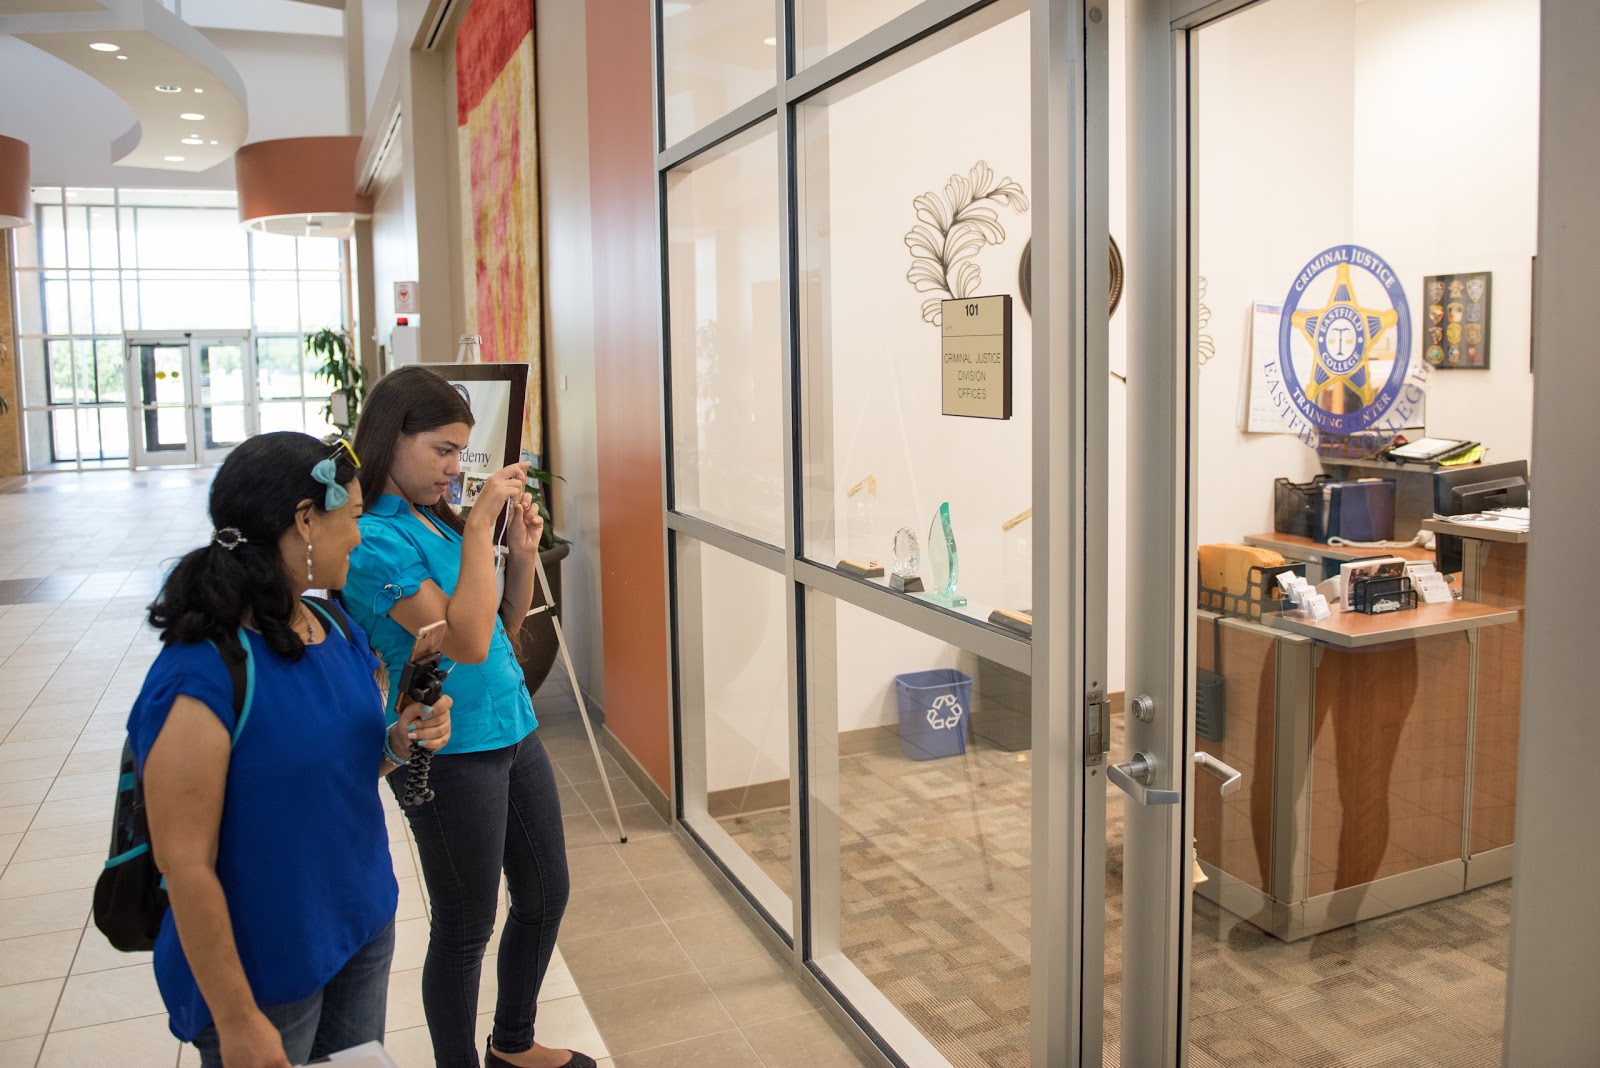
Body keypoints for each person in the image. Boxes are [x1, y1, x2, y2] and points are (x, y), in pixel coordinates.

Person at [132, 431, 452, 1068]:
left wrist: (398, 740)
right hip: (265, 967)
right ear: (305, 520)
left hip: (360, 926)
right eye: (351, 517)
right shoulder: (201, 676)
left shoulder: (332, 626)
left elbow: (343, 766)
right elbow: (185, 864)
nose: (358, 536)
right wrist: (236, 1019)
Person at [341, 366, 592, 1068]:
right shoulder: (372, 540)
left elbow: (503, 629)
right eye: (443, 450)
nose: (456, 467)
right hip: (447, 748)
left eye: (460, 451)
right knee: (465, 926)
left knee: (545, 894)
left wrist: (520, 554)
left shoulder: (434, 518)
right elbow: (467, 642)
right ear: (391, 438)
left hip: (512, 726)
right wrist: (480, 523)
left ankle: (512, 1044)